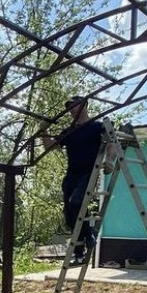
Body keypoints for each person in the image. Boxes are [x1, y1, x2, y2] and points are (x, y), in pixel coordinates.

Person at [42, 96, 105, 264]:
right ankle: (79, 251)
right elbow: (50, 146)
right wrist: (43, 131)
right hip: (71, 175)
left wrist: (111, 162)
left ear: (84, 106)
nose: (71, 110)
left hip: (89, 173)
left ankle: (88, 235)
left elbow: (112, 143)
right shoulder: (69, 131)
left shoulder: (96, 127)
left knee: (76, 202)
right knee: (69, 215)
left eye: (74, 106)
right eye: (69, 107)